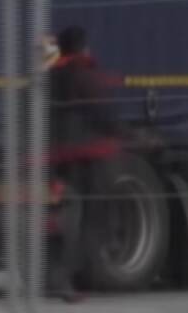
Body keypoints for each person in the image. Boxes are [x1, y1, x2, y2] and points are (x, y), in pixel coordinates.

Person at [45, 25, 123, 303]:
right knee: (91, 219)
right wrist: (129, 134)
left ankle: (59, 275)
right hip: (88, 157)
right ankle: (68, 276)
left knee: (66, 216)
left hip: (57, 158)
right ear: (82, 47)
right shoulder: (84, 75)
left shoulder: (51, 77)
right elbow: (105, 115)